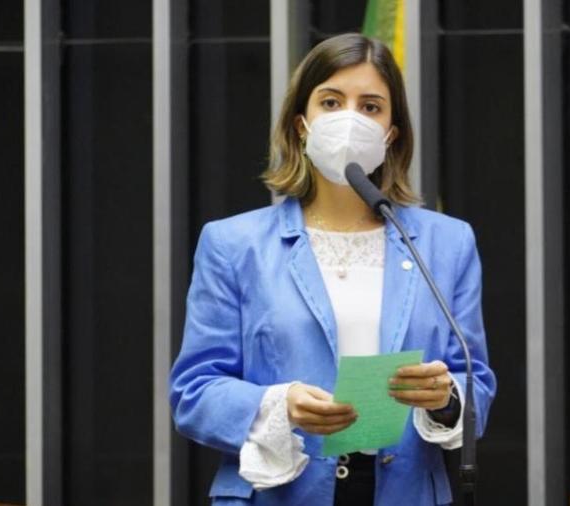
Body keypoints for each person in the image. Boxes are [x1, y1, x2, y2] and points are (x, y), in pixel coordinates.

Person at [169, 33, 496, 506]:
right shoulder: (233, 244)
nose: (349, 119)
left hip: (404, 490)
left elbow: (476, 381)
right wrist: (278, 405)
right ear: (302, 124)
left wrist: (445, 400)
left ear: (392, 132)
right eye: (331, 101)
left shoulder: (447, 242)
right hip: (279, 492)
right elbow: (193, 393)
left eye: (370, 107)